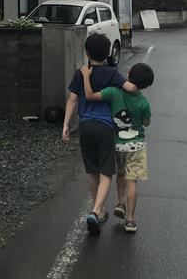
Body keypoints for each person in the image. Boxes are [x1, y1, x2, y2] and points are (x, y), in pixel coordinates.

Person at [62, 33, 139, 235]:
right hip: (105, 126)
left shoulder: (81, 73)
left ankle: (100, 210)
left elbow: (72, 99)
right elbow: (129, 88)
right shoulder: (112, 73)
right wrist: (140, 82)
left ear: (86, 52)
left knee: (91, 170)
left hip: (85, 125)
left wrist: (66, 124)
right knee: (107, 172)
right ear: (107, 54)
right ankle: (96, 210)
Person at [81, 61, 153, 234]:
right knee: (132, 181)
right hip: (137, 145)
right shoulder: (143, 102)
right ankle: (129, 220)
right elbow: (146, 122)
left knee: (120, 175)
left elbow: (90, 96)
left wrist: (85, 76)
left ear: (128, 74)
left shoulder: (113, 92)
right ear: (146, 85)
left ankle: (120, 202)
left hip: (118, 145)